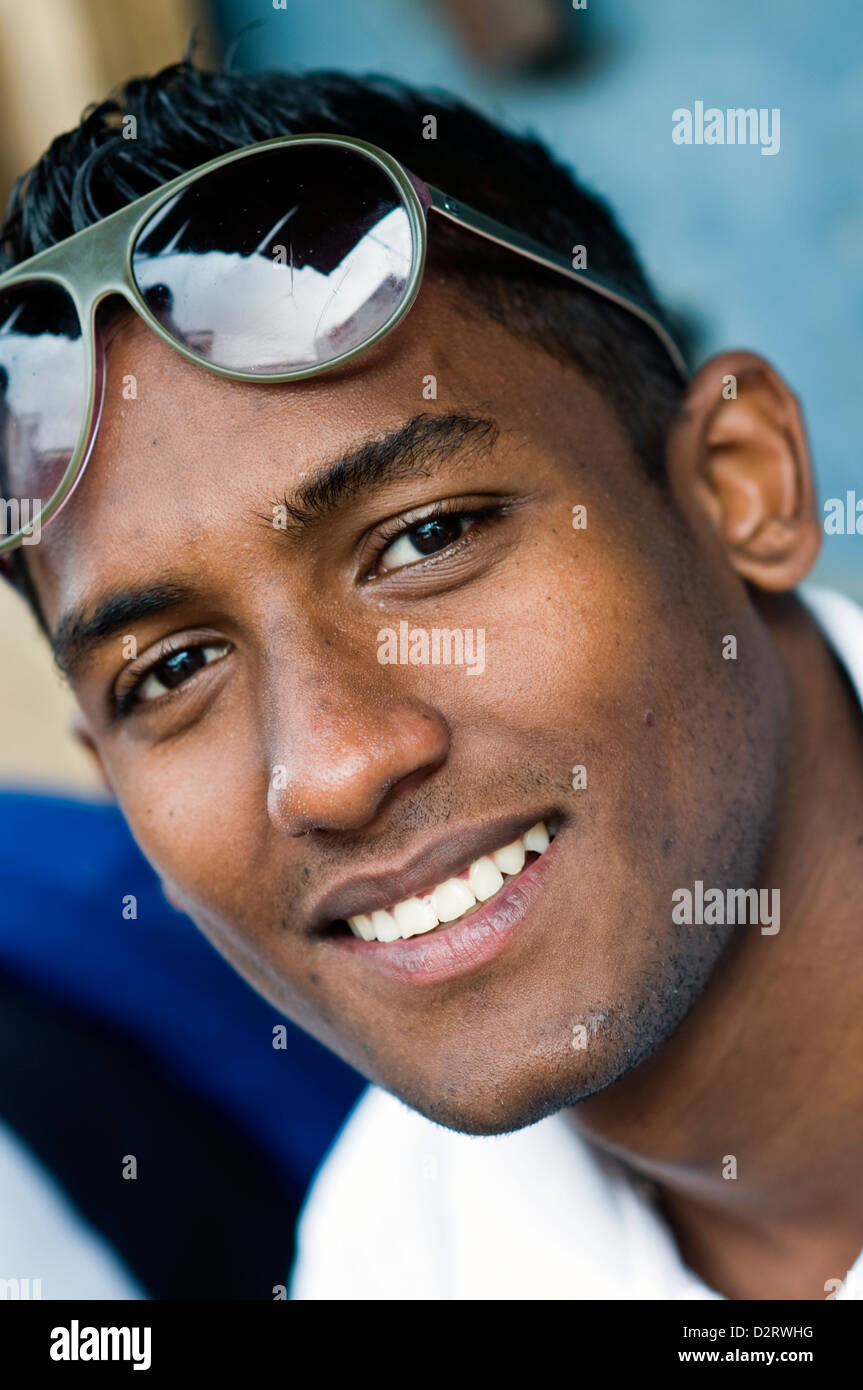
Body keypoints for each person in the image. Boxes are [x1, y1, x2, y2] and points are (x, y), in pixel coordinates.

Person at [1, 60, 861, 1302]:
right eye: (172, 670)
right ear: (108, 781)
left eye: (425, 539)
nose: (333, 766)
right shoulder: (385, 1260)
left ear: (738, 487)